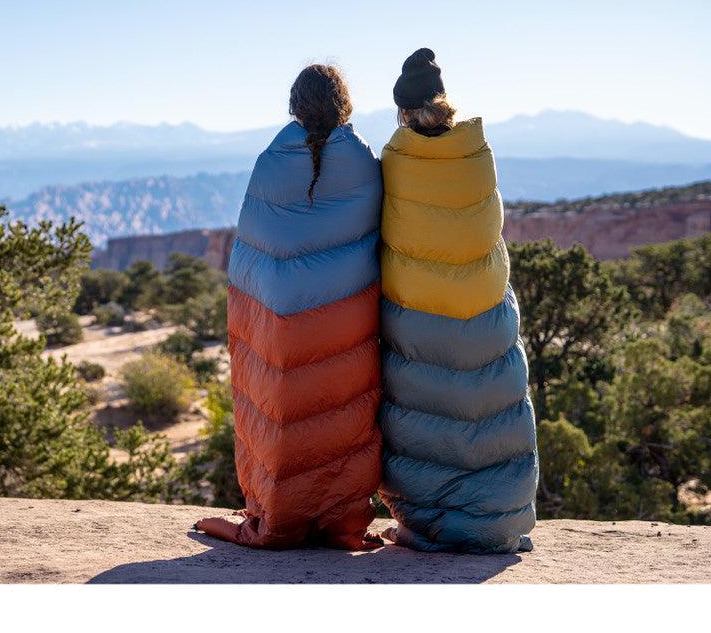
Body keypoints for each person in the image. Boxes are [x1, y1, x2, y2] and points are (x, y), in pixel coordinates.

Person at [195, 63, 384, 549]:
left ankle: (278, 511)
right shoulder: (362, 161)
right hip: (347, 316)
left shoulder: (271, 160)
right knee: (342, 410)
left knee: (281, 409)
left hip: (280, 319)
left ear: (295, 104)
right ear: (344, 103)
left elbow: (253, 249)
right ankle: (343, 516)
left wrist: (258, 307)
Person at [378, 48, 538, 553]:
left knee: (426, 416)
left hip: (418, 313)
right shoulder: (477, 152)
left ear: (402, 110)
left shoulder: (396, 157)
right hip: (484, 304)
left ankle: (428, 523)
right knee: (490, 410)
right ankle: (495, 521)